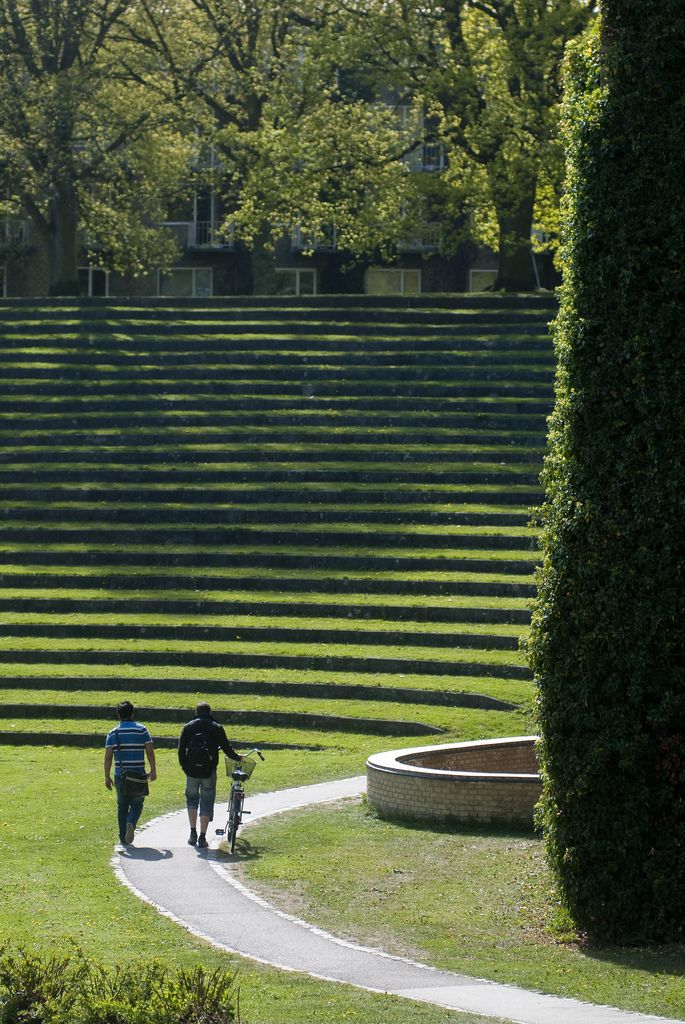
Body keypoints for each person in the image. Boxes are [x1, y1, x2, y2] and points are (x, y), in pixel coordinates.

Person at [178, 701, 241, 848]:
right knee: (206, 802)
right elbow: (226, 748)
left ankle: (192, 832)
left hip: (191, 771)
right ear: (210, 712)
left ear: (196, 712)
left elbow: (181, 751)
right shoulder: (216, 727)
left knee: (192, 800)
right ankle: (202, 837)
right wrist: (238, 757)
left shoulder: (188, 727)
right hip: (209, 771)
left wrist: (185, 767)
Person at [104, 700, 157, 847]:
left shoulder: (113, 733)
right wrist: (153, 770)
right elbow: (150, 752)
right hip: (138, 774)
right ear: (132, 713)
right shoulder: (142, 730)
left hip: (120, 774)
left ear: (118, 714)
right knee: (137, 803)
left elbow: (108, 757)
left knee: (122, 805)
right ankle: (131, 822)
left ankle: (123, 838)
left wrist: (106, 776)